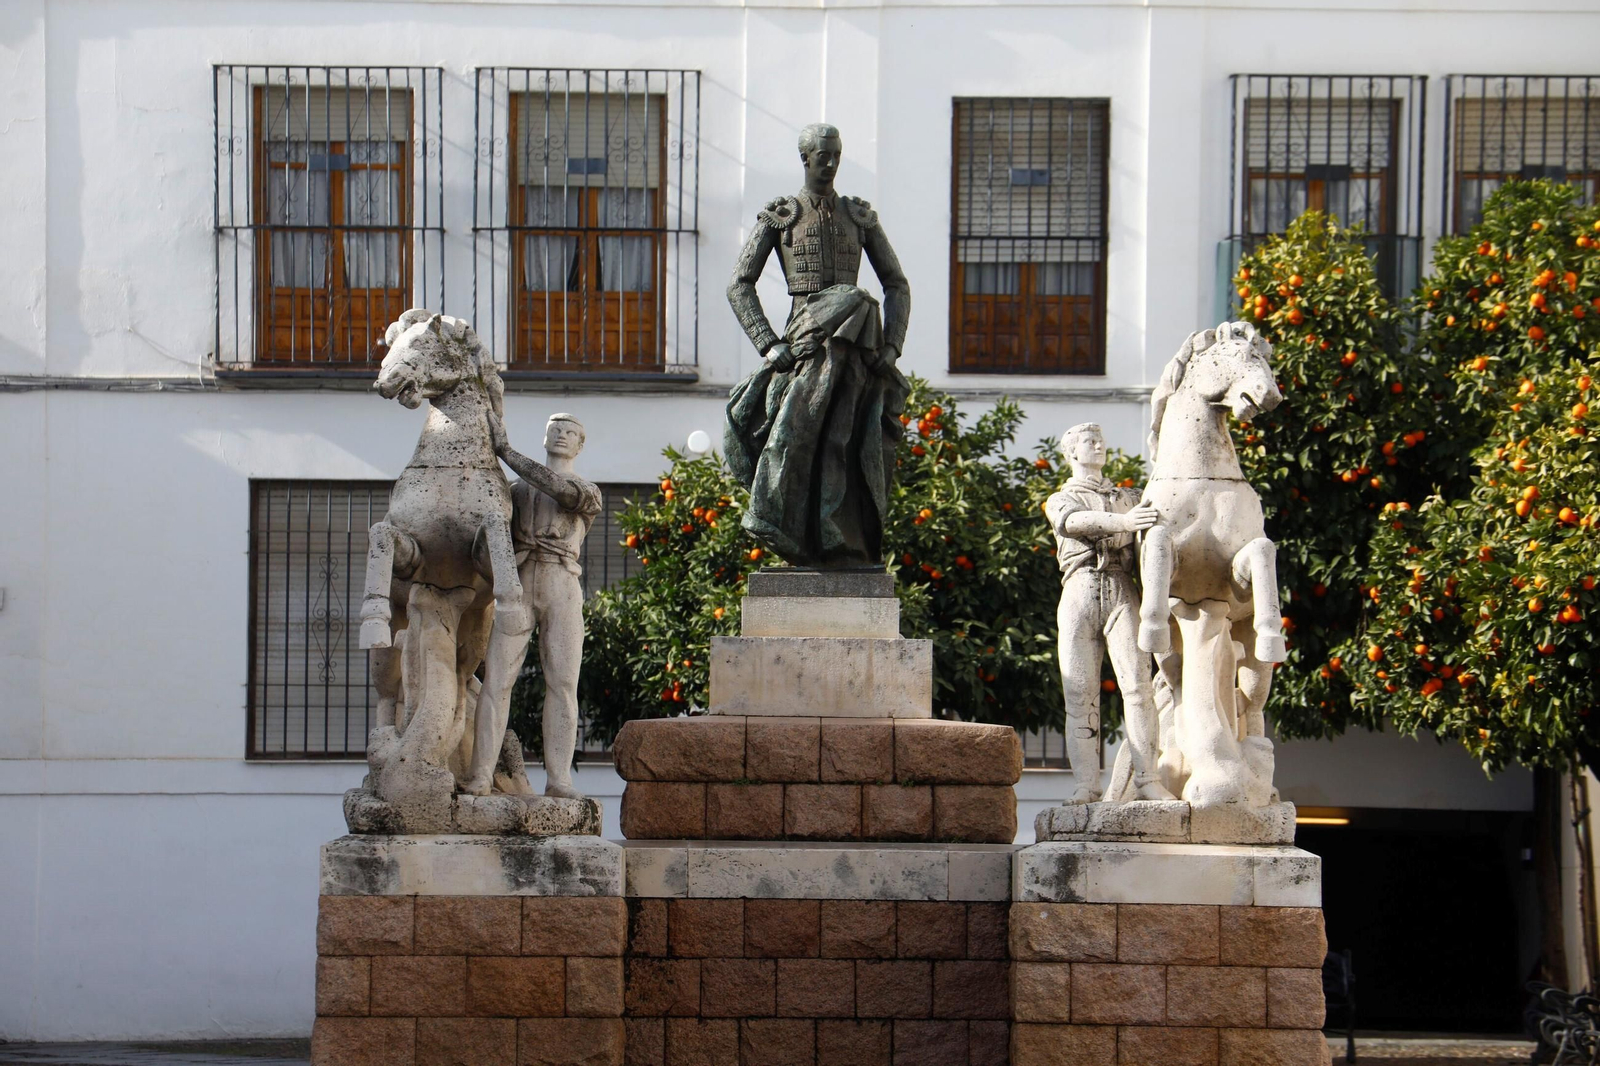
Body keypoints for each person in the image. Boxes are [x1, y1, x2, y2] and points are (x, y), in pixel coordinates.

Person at [724, 122, 911, 568]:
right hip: (804, 340)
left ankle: (839, 538)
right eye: (822, 155)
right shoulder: (781, 215)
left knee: (845, 442)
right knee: (794, 434)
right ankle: (786, 527)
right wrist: (769, 343)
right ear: (805, 158)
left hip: (856, 345)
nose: (830, 163)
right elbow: (739, 284)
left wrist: (892, 346)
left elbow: (896, 284)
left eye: (836, 155)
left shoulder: (859, 217)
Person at [463, 411, 601, 799]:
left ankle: (559, 779)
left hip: (562, 585)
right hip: (519, 583)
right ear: (544, 436)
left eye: (570, 431)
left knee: (563, 683)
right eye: (555, 429)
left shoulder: (587, 490)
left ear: (580, 445)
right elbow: (484, 549)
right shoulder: (514, 492)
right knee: (496, 680)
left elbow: (560, 491)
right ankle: (480, 775)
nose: (561, 435)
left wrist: (506, 451)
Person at [1045, 423, 1173, 804]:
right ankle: (1087, 785)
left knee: (1138, 687)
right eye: (1090, 441)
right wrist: (1125, 523)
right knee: (1079, 693)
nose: (1099, 445)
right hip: (1080, 589)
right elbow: (1073, 523)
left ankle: (1147, 778)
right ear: (1072, 452)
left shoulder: (1129, 496)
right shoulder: (1061, 498)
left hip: (1122, 587)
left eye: (1100, 440)